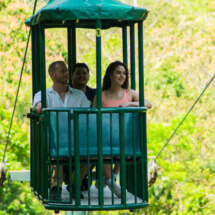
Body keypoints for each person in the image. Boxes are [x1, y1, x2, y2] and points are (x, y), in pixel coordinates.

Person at [93, 61, 152, 198]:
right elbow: (93, 118)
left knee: (125, 145)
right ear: (110, 76)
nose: (122, 75)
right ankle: (112, 184)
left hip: (123, 136)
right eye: (118, 72)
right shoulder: (100, 96)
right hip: (105, 136)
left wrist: (129, 104)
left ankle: (111, 176)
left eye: (124, 73)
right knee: (104, 147)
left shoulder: (129, 93)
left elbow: (148, 104)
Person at [33, 61, 90, 200]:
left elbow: (87, 117)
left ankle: (74, 184)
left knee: (93, 152)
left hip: (76, 138)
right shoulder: (44, 94)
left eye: (67, 71)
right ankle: (55, 188)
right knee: (53, 150)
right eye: (62, 71)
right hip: (55, 138)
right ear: (52, 75)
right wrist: (39, 107)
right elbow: (38, 105)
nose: (66, 74)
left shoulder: (79, 95)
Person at [63, 63, 96, 191]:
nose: (81, 76)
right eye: (78, 73)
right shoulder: (65, 91)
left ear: (88, 76)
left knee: (95, 150)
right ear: (71, 75)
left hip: (87, 133)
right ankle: (75, 180)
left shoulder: (93, 94)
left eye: (84, 73)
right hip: (67, 133)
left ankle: (76, 180)